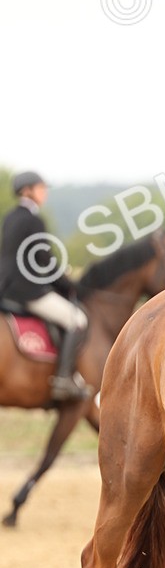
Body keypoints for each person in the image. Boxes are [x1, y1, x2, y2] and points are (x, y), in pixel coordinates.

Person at [0, 171, 91, 402]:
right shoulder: (34, 220)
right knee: (77, 320)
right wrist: (68, 285)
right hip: (27, 290)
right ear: (27, 191)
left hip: (7, 286)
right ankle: (63, 379)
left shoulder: (10, 217)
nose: (45, 193)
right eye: (41, 188)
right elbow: (44, 260)